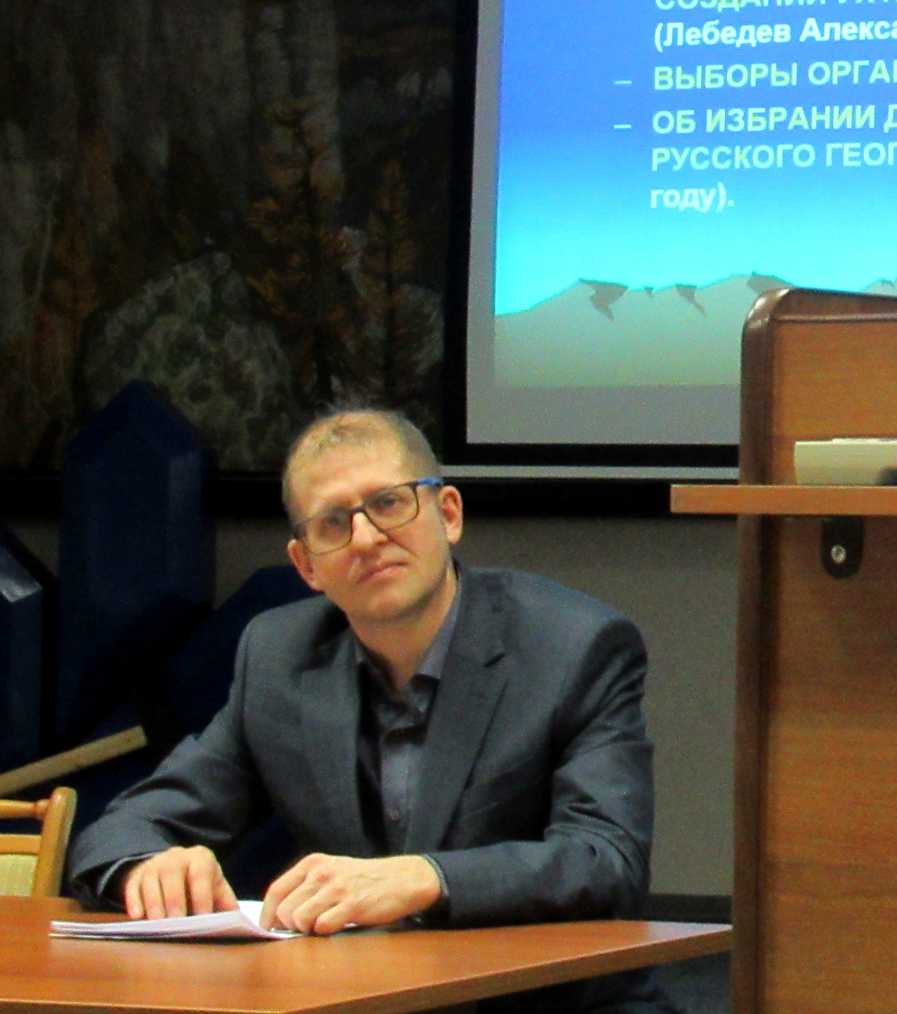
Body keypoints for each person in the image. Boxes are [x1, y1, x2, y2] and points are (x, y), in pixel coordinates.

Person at [68, 408, 669, 1013]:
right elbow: (122, 829)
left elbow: (605, 861)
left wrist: (425, 877)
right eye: (333, 522)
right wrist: (147, 868)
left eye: (388, 503)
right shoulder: (279, 658)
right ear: (306, 564)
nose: (365, 538)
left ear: (448, 514)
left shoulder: (572, 646)